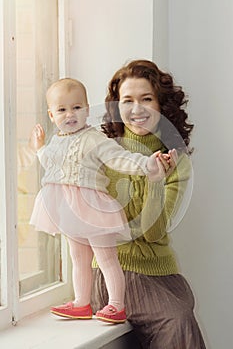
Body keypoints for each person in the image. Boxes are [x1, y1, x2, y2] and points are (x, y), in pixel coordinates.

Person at [29, 77, 174, 324]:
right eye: (62, 110)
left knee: (106, 258)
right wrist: (40, 148)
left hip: (93, 208)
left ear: (87, 110)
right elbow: (51, 165)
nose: (70, 114)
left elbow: (121, 158)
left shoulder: (94, 139)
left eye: (77, 107)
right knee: (78, 257)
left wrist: (149, 164)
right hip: (68, 210)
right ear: (51, 116)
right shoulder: (57, 140)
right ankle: (81, 303)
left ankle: (116, 305)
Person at [90, 60, 207, 348]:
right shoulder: (105, 154)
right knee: (179, 323)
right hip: (116, 272)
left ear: (161, 105)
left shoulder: (178, 162)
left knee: (184, 316)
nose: (137, 109)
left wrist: (155, 179)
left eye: (146, 99)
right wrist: (153, 178)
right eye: (127, 101)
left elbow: (154, 231)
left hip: (161, 272)